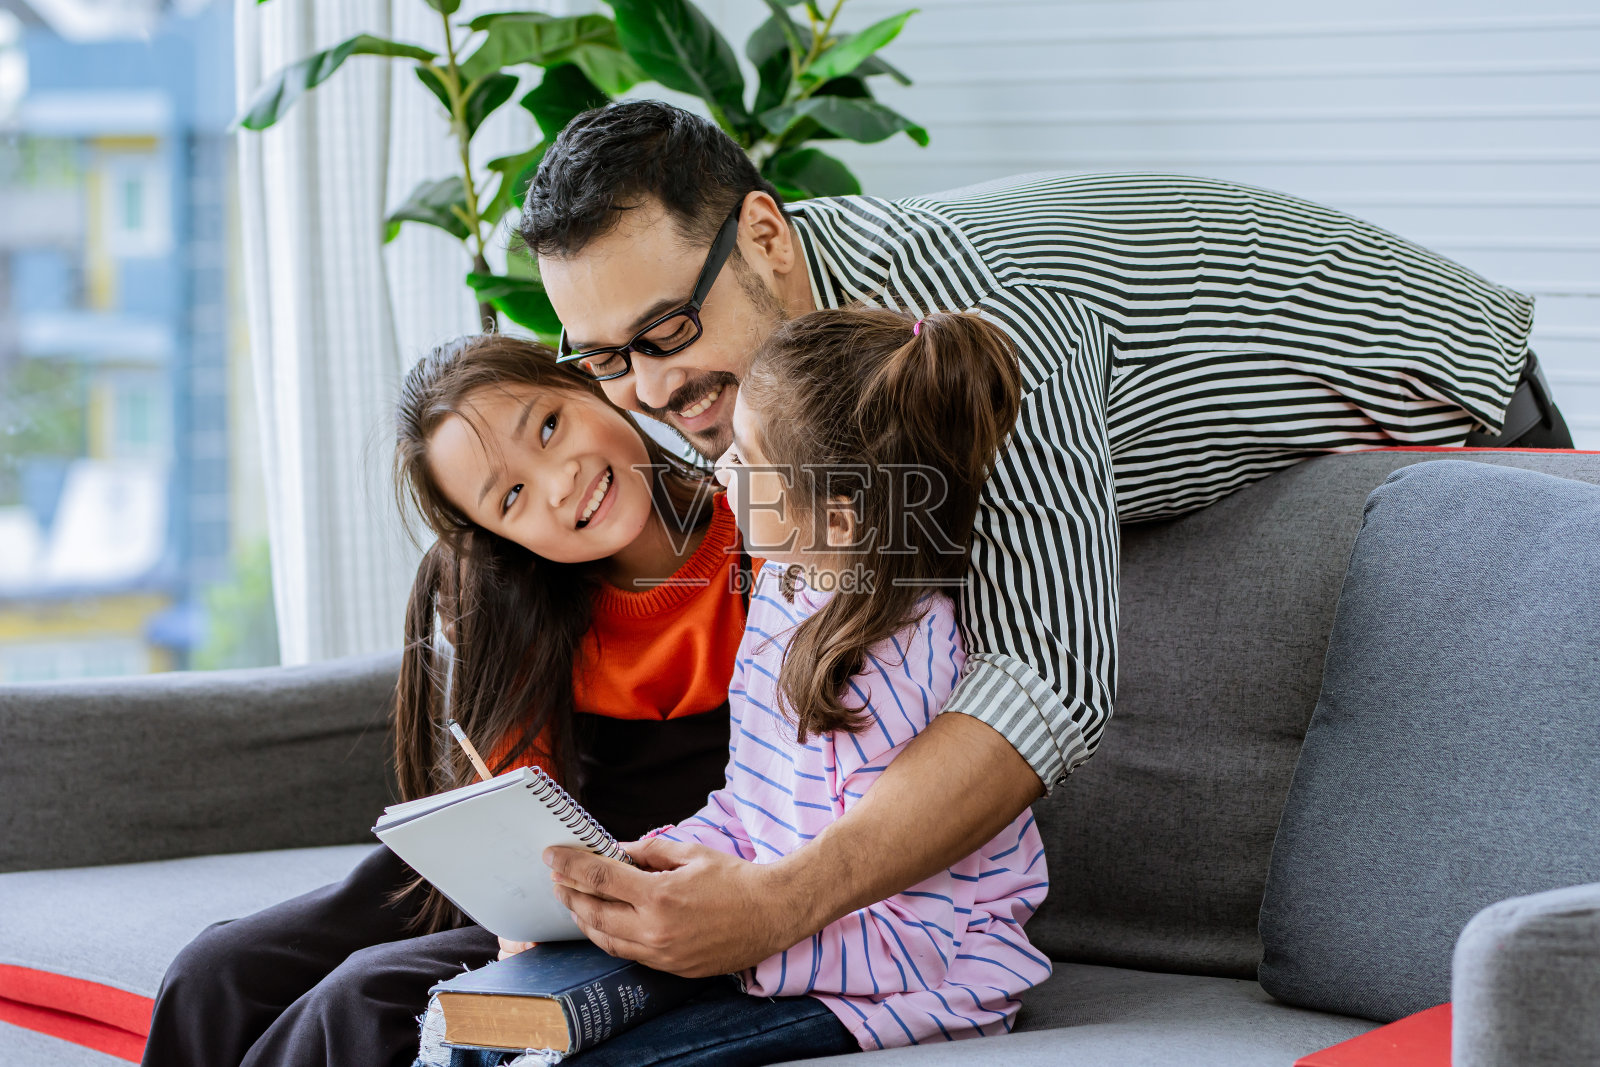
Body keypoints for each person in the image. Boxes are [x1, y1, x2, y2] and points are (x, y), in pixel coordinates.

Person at [520, 99, 1574, 978]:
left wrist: (780, 903)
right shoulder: (761, 379)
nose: (650, 390)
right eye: (606, 360)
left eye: (666, 331)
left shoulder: (973, 316)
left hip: (1466, 431)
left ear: (763, 235)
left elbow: (1046, 673)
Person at [451, 308, 1046, 1067]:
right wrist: (652, 865)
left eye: (749, 459)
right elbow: (750, 813)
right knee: (479, 1042)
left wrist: (734, 943)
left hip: (914, 985)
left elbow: (920, 939)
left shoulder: (897, 672)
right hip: (791, 947)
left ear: (837, 522)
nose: (721, 470)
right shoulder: (784, 592)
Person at [140, 335, 750, 1067]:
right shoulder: (526, 599)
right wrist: (521, 910)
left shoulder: (771, 536)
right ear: (497, 535)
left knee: (360, 1001)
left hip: (664, 893)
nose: (560, 483)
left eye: (548, 426)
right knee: (214, 972)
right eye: (512, 497)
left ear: (590, 385)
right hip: (534, 883)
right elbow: (514, 811)